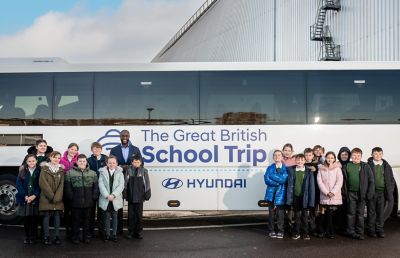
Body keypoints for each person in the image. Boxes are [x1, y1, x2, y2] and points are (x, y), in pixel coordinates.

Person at [109, 130, 142, 234]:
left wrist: (126, 167)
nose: (124, 137)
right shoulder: (114, 150)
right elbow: (111, 163)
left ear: (129, 136)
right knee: (118, 205)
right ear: (120, 136)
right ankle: (118, 229)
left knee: (133, 208)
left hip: (132, 181)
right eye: (122, 135)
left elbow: (141, 163)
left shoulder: (135, 149)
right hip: (117, 180)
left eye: (126, 135)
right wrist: (123, 167)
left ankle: (132, 230)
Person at [64, 154, 99, 244]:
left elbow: (95, 187)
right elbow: (67, 188)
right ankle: (75, 237)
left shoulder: (93, 173)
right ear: (76, 162)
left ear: (86, 162)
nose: (82, 163)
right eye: (80, 161)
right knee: (75, 220)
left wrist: (94, 197)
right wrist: (71, 197)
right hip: (75, 202)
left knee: (87, 220)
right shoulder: (70, 173)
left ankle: (86, 236)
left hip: (88, 201)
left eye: (84, 161)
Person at [342, 147, 374, 240]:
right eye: (354, 155)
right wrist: (345, 193)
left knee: (360, 214)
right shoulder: (347, 166)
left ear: (361, 156)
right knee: (351, 213)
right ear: (351, 156)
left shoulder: (365, 166)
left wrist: (369, 194)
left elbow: (371, 180)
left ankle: (360, 232)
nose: (356, 157)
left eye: (358, 156)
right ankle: (350, 231)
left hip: (362, 194)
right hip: (351, 194)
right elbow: (344, 181)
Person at [366, 147, 395, 238]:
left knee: (380, 212)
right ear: (371, 154)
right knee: (371, 212)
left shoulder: (386, 165)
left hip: (382, 193)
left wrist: (390, 190)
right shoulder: (368, 165)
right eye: (375, 154)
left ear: (382, 155)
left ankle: (379, 229)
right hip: (372, 192)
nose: (378, 155)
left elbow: (391, 180)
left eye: (380, 154)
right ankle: (371, 230)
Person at [286, 154, 315, 240]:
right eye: (298, 160)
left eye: (302, 160)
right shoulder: (291, 170)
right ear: (295, 161)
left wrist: (311, 200)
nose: (300, 162)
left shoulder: (309, 172)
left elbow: (311, 187)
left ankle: (305, 233)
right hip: (295, 197)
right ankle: (296, 232)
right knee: (297, 216)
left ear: (305, 161)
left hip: (305, 198)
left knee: (305, 216)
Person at [39, 151, 64, 245]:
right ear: (50, 157)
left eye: (58, 158)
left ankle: (57, 236)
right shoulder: (44, 169)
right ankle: (46, 236)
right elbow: (43, 183)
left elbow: (62, 185)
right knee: (46, 216)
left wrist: (57, 197)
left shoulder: (61, 170)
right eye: (55, 157)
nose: (56, 159)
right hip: (46, 198)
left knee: (57, 216)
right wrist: (51, 196)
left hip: (58, 198)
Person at [317, 151, 343, 239]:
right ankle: (322, 230)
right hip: (325, 195)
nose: (330, 159)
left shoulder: (337, 169)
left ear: (334, 159)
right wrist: (326, 192)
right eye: (328, 157)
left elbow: (339, 181)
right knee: (323, 214)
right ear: (325, 158)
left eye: (332, 158)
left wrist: (333, 192)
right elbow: (319, 181)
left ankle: (330, 231)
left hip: (334, 196)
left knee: (331, 215)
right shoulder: (321, 169)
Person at [98, 155, 125, 242]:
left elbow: (121, 186)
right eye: (110, 163)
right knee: (106, 217)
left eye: (113, 163)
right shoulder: (102, 173)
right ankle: (107, 235)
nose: (112, 164)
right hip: (105, 198)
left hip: (115, 199)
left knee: (115, 217)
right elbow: (101, 185)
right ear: (107, 163)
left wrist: (113, 195)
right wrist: (107, 195)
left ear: (117, 164)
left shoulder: (120, 173)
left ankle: (114, 234)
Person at [16, 154, 41, 244]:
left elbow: (40, 185)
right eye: (29, 161)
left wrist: (34, 195)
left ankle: (33, 236)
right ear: (26, 162)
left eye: (33, 161)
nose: (31, 163)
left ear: (36, 161)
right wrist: (25, 196)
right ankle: (27, 236)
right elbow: (18, 184)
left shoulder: (39, 171)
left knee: (34, 219)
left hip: (34, 198)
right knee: (26, 219)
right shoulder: (22, 171)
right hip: (25, 199)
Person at [126, 154, 151, 240]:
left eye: (138, 162)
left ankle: (138, 232)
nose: (136, 163)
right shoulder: (128, 170)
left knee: (139, 216)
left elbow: (147, 183)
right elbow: (126, 183)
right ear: (132, 162)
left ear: (141, 162)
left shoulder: (144, 171)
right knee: (131, 215)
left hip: (140, 197)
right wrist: (125, 193)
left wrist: (147, 193)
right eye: (135, 162)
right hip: (131, 197)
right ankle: (130, 232)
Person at [264, 150, 288, 239]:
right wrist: (278, 182)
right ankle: (271, 230)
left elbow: (284, 180)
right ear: (273, 157)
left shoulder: (286, 168)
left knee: (280, 214)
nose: (277, 156)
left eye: (279, 155)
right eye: (275, 155)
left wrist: (273, 177)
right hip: (271, 194)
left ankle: (280, 231)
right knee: (271, 214)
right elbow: (266, 179)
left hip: (281, 194)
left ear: (282, 157)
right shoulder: (269, 168)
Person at [87, 142, 108, 237]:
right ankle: (90, 231)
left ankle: (101, 230)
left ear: (101, 149)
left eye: (99, 148)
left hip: (103, 188)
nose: (97, 150)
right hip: (92, 188)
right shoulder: (88, 160)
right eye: (95, 148)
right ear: (92, 150)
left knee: (102, 210)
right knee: (91, 211)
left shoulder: (106, 159)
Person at [60, 143, 79, 239]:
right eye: (72, 149)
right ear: (68, 149)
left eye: (75, 150)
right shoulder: (61, 159)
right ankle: (68, 230)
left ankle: (74, 230)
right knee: (67, 210)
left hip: (76, 188)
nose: (73, 151)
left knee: (75, 211)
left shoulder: (78, 160)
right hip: (65, 187)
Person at [304, 147, 319, 236]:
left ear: (313, 155)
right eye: (306, 155)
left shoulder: (317, 165)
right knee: (304, 211)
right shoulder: (302, 164)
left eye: (310, 155)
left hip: (314, 192)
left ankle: (313, 228)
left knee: (313, 212)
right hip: (305, 192)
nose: (308, 157)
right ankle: (305, 228)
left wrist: (316, 169)